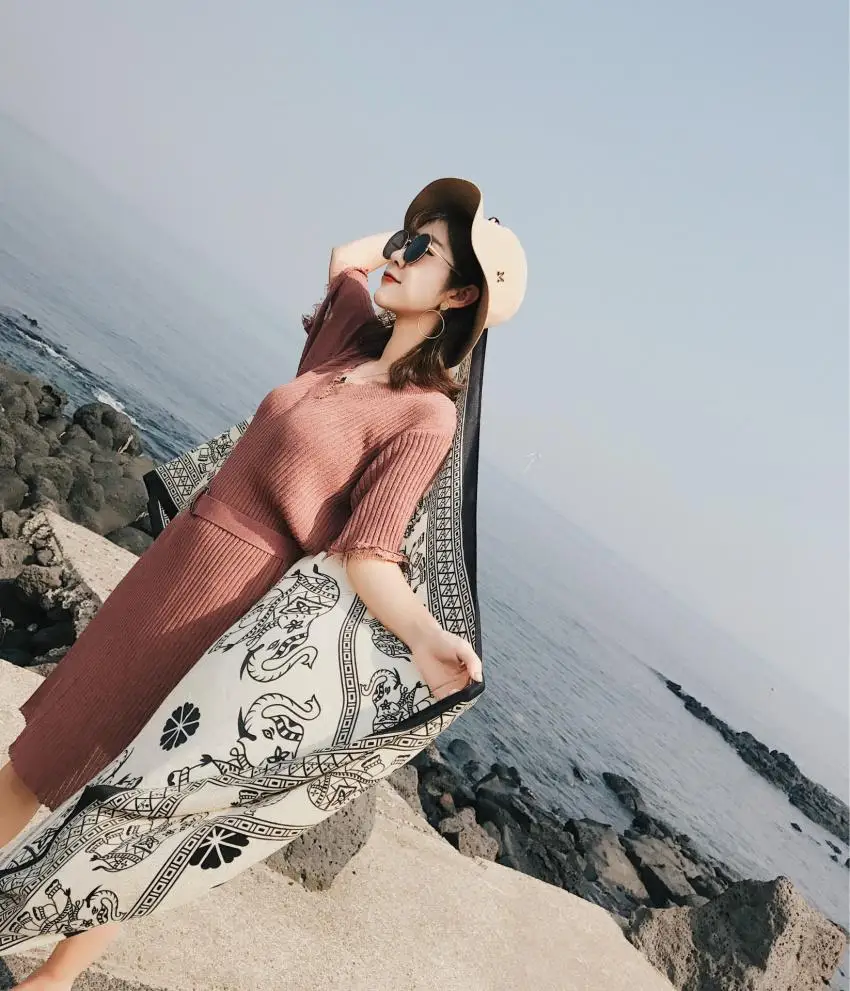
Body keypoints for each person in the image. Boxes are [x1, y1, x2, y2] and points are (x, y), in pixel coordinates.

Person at [0, 177, 527, 990]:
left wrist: (427, 638)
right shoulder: (346, 346)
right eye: (405, 234)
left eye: (425, 250)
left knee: (143, 810)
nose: (399, 251)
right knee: (46, 751)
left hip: (234, 608)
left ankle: (52, 979)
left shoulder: (426, 415)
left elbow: (368, 550)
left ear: (459, 295)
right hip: (175, 567)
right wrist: (413, 239)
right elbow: (344, 261)